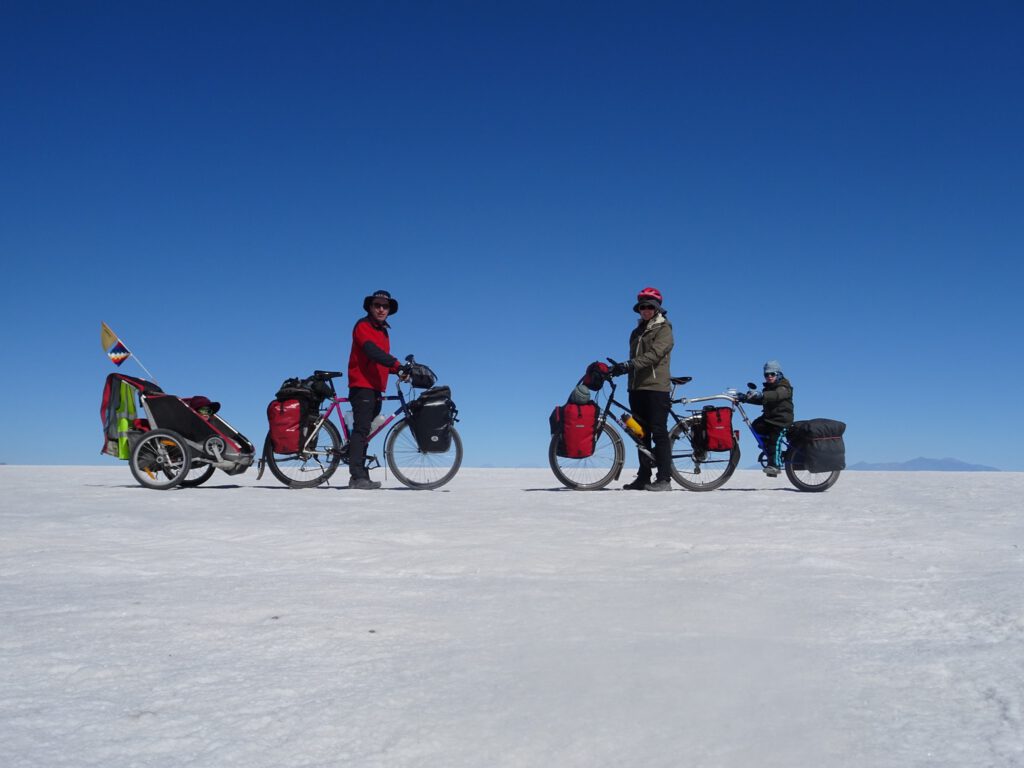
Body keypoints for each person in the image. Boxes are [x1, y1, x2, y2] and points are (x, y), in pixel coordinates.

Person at [609, 287, 675, 491]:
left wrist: (629, 365)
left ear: (657, 308)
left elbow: (655, 355)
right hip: (636, 387)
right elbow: (635, 360)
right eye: (642, 307)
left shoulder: (664, 329)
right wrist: (620, 369)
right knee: (640, 434)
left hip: (656, 387)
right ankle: (644, 477)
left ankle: (664, 479)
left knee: (658, 431)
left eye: (649, 306)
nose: (645, 310)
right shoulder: (636, 332)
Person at [347, 289, 406, 490]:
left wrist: (400, 371)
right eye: (377, 305)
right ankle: (356, 477)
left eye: (385, 306)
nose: (381, 309)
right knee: (361, 429)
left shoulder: (383, 331)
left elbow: (382, 361)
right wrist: (397, 364)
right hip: (362, 385)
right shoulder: (362, 326)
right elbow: (371, 351)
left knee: (365, 432)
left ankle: (361, 473)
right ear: (370, 307)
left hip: (375, 387)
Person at [738, 360, 794, 476]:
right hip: (769, 419)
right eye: (766, 374)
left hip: (781, 420)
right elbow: (762, 400)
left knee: (774, 439)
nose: (769, 377)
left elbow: (776, 395)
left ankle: (775, 465)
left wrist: (762, 394)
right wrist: (745, 398)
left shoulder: (784, 386)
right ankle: (770, 450)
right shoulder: (768, 388)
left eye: (772, 374)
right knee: (756, 426)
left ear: (778, 374)